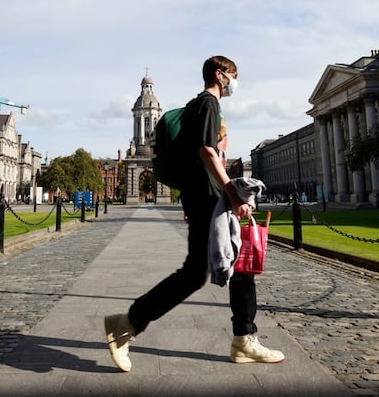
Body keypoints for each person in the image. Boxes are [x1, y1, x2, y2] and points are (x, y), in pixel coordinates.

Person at [104, 55, 284, 372]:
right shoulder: (208, 104)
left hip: (203, 199)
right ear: (220, 75)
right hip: (212, 199)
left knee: (231, 266)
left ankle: (243, 337)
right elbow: (206, 152)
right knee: (201, 272)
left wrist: (195, 201)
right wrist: (232, 190)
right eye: (233, 75)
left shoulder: (194, 106)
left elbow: (191, 161)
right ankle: (129, 322)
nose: (235, 82)